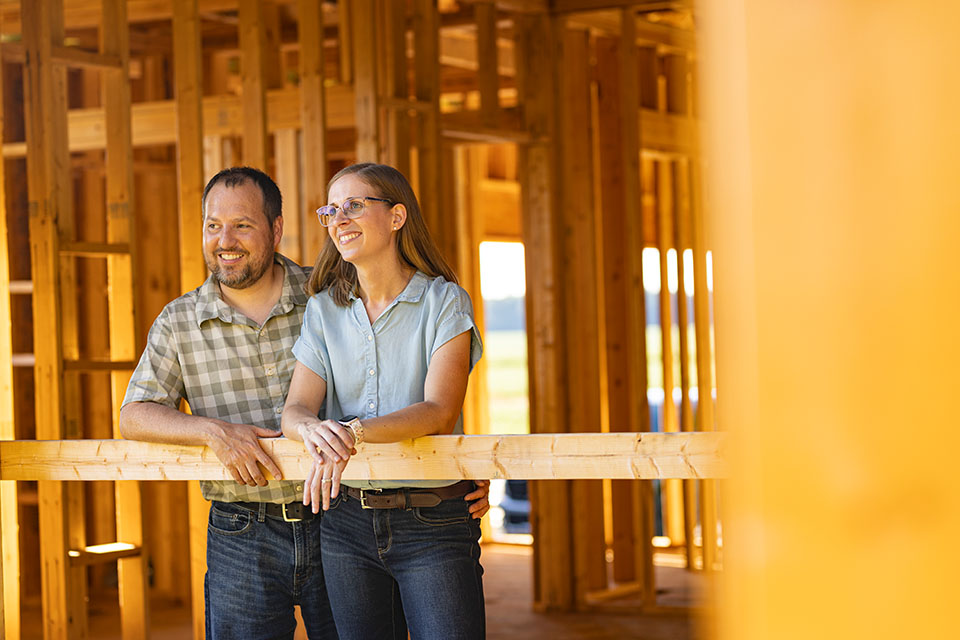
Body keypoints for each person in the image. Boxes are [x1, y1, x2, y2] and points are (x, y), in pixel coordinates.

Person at [119, 166, 489, 639]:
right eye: (213, 225)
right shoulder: (183, 320)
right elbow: (134, 414)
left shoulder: (324, 291)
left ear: (275, 230)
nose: (225, 239)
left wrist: (460, 466)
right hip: (245, 526)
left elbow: (424, 391)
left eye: (242, 225)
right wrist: (213, 432)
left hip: (332, 514)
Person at [282, 163, 486, 640]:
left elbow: (439, 411)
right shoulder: (323, 310)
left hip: (433, 519)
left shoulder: (444, 302)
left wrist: (349, 432)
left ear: (397, 217)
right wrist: (314, 430)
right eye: (331, 210)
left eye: (354, 205)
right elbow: (295, 410)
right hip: (345, 521)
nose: (338, 219)